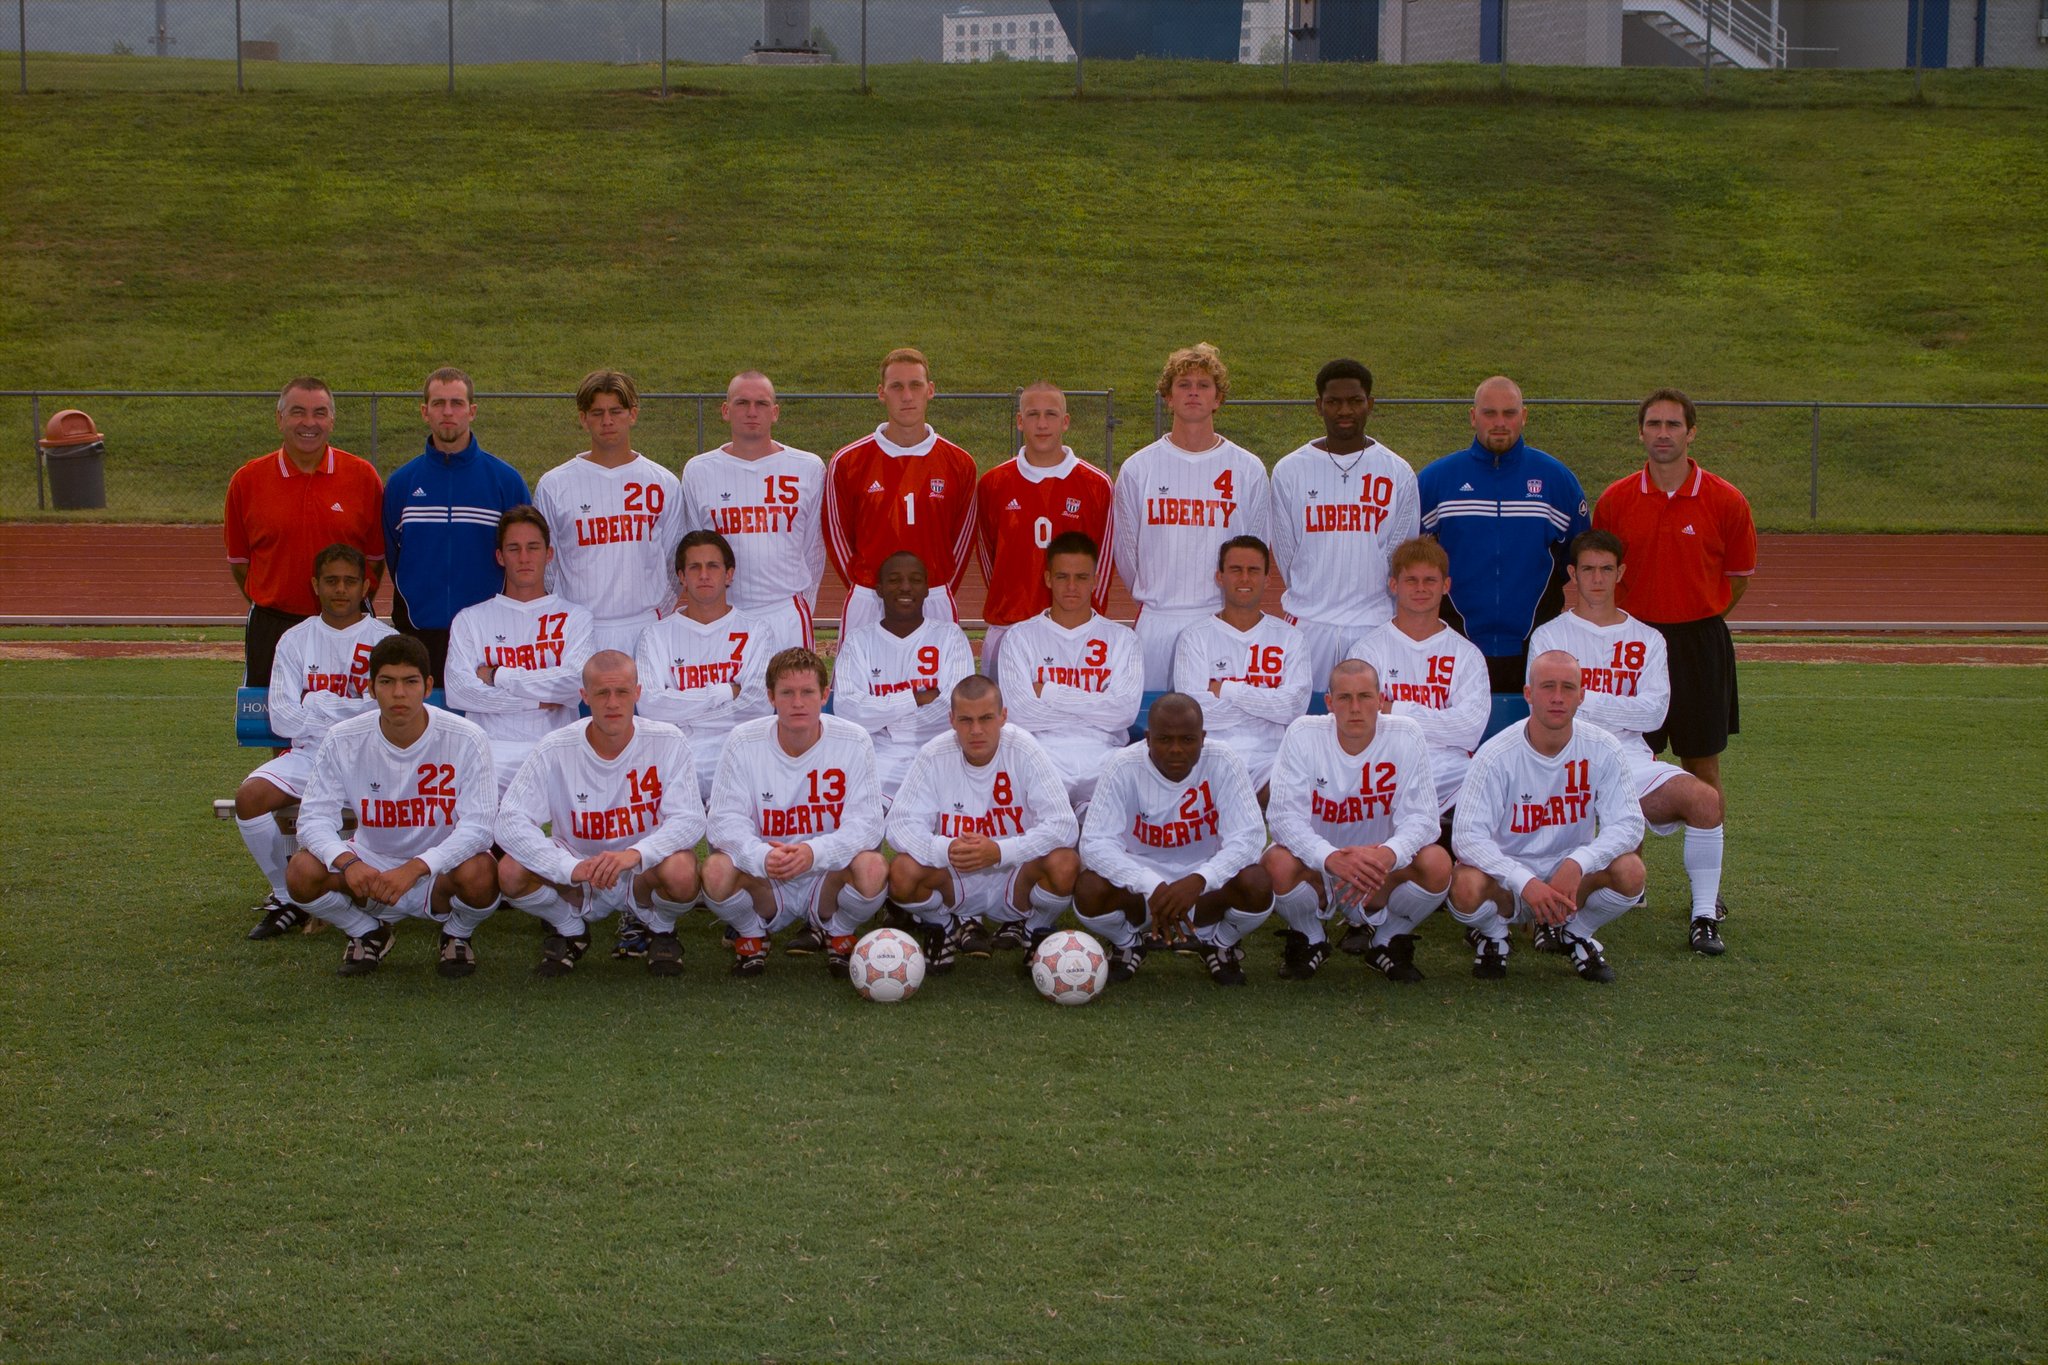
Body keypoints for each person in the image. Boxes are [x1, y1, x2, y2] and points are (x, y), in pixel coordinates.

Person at [1530, 529, 1730, 954]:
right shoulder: (1550, 636)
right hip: (1567, 758)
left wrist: (1581, 697)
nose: (1597, 579)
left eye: (1606, 569)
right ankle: (1555, 917)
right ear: (1572, 574)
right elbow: (1550, 705)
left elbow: (1654, 713)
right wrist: (1605, 703)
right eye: (1588, 569)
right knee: (1560, 844)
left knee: (1705, 800)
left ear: (1620, 572)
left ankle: (1704, 916)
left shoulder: (1648, 639)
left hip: (1631, 760)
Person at [285, 635, 500, 979]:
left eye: (410, 681)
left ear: (428, 686)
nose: (399, 693)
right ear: (370, 688)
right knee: (301, 871)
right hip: (370, 868)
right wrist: (349, 862)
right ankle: (367, 931)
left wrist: (416, 867)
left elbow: (479, 828)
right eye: (387, 682)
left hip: (436, 871)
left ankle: (457, 934)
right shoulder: (342, 738)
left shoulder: (466, 737)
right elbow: (312, 820)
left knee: (480, 874)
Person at [1593, 387, 1757, 809]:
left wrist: (1698, 613)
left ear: (1691, 433)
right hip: (1631, 645)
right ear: (1640, 434)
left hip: (1699, 645)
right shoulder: (1615, 500)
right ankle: (1627, 872)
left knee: (1702, 765)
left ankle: (1707, 873)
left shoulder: (1726, 500)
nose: (1662, 433)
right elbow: (1601, 573)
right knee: (1624, 763)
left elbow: (1737, 578)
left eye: (1673, 424)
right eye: (1653, 424)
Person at [496, 652, 707, 979]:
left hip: (641, 871)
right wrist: (569, 867)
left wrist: (635, 854)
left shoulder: (667, 740)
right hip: (578, 870)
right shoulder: (555, 746)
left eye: (622, 692)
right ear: (584, 697)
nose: (612, 703)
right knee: (511, 870)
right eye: (601, 693)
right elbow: (509, 821)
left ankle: (661, 929)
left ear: (637, 693)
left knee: (682, 870)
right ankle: (569, 929)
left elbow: (690, 819)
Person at [1449, 651, 1647, 984]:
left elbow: (1629, 824)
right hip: (1509, 881)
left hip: (1570, 880)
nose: (1557, 698)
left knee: (1631, 870)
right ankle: (1494, 936)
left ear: (1582, 695)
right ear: (1528, 693)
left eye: (1568, 688)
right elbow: (1467, 836)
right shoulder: (1496, 753)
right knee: (1465, 884)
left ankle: (1576, 934)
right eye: (1547, 687)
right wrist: (1523, 881)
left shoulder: (1603, 747)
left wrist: (1578, 862)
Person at [234, 543, 396, 940]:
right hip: (308, 756)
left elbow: (387, 711)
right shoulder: (294, 639)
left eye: (350, 581)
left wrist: (317, 702)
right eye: (331, 581)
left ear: (365, 587)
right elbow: (284, 718)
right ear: (315, 585)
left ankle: (385, 892)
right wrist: (352, 707)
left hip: (369, 757)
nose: (340, 589)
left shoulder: (384, 638)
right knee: (249, 798)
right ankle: (285, 894)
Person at [701, 647, 889, 978]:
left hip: (826, 877)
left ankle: (840, 931)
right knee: (716, 870)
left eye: (807, 692)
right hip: (766, 878)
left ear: (825, 695)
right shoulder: (743, 740)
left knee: (873, 866)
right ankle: (752, 935)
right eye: (787, 693)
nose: (798, 702)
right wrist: (761, 856)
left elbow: (869, 825)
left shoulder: (854, 740)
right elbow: (723, 822)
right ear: (771, 696)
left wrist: (813, 852)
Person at [1262, 659, 1449, 983]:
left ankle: (1388, 941)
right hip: (1319, 870)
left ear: (1381, 699)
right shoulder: (1303, 734)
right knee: (1275, 863)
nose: (1355, 708)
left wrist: (1388, 854)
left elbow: (1423, 819)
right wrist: (1330, 857)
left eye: (1365, 696)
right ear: (1329, 703)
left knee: (1437, 862)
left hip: (1381, 874)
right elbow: (1282, 818)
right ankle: (1309, 937)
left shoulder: (1406, 734)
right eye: (1345, 698)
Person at [1074, 694, 1272, 986]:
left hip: (1204, 883)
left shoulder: (1224, 759)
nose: (1176, 749)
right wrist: (1149, 884)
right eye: (1165, 739)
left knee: (1257, 883)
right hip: (1141, 885)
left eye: (1188, 740)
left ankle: (1218, 943)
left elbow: (1250, 838)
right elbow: (1094, 844)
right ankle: (1128, 943)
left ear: (1203, 738)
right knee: (1089, 888)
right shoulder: (1123, 765)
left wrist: (1200, 879)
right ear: (1147, 738)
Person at [884, 676, 1080, 969]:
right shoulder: (934, 753)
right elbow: (899, 825)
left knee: (1065, 862)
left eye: (986, 718)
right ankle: (942, 926)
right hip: (956, 876)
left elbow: (1064, 825)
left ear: (1003, 716)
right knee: (902, 871)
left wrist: (1001, 852)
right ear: (951, 719)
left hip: (1016, 876)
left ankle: (1036, 930)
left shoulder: (1024, 749)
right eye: (965, 720)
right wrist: (947, 849)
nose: (976, 730)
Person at [1112, 343, 1273, 689]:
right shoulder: (1138, 468)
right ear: (1168, 398)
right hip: (1158, 620)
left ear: (1218, 398)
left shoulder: (1248, 469)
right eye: (1184, 385)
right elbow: (1126, 553)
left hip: (1220, 620)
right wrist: (1157, 591)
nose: (1194, 393)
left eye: (1204, 385)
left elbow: (1256, 549)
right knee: (1153, 726)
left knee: (1218, 722)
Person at [1416, 375, 1589, 694]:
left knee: (1533, 740)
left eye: (1509, 413)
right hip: (1453, 644)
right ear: (1472, 417)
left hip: (1534, 645)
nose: (1499, 422)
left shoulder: (1556, 481)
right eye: (1489, 413)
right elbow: (1411, 560)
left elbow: (1577, 557)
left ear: (1523, 416)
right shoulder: (1435, 481)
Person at [224, 376, 385, 686]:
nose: (309, 422)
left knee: (354, 723)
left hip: (348, 625)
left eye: (319, 413)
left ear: (332, 420)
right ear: (279, 419)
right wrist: (276, 599)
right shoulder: (248, 480)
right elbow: (241, 565)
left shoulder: (363, 477)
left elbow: (375, 560)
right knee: (268, 726)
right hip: (274, 626)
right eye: (298, 412)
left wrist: (345, 602)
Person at [1270, 358, 1421, 683]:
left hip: (1374, 623)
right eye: (1333, 402)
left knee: (1371, 722)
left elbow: (1400, 556)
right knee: (1301, 718)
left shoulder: (1398, 473)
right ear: (1318, 406)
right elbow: (1286, 555)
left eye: (1355, 401)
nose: (1344, 410)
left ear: (1370, 404)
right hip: (1308, 623)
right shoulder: (1289, 471)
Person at [380, 366, 531, 680]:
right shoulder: (402, 483)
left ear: (472, 411)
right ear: (425, 411)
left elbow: (524, 557)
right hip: (419, 632)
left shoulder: (505, 481)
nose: (447, 412)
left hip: (488, 634)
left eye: (457, 403)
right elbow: (395, 556)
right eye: (438, 403)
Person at [635, 529, 804, 802]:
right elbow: (650, 705)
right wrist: (724, 693)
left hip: (736, 752)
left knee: (734, 838)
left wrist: (683, 717)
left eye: (713, 566)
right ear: (681, 577)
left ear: (729, 574)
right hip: (674, 754)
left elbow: (757, 706)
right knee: (667, 841)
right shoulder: (654, 635)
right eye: (694, 567)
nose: (704, 575)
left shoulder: (757, 631)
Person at [825, 347, 978, 637]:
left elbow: (961, 543)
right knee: (859, 683)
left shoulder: (960, 463)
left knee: (939, 683)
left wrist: (933, 589)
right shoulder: (847, 462)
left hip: (933, 598)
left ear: (930, 390)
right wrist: (870, 586)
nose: (907, 396)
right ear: (881, 393)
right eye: (897, 386)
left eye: (915, 385)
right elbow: (838, 539)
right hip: (869, 598)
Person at [443, 506, 596, 794]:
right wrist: (534, 701)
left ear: (549, 554)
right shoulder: (470, 619)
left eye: (533, 547)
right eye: (514, 549)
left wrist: (498, 676)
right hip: (489, 751)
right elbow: (459, 692)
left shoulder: (576, 618)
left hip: (555, 749)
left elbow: (573, 684)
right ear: (500, 556)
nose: (524, 558)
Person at [531, 369, 685, 655]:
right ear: (583, 418)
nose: (607, 421)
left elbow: (674, 560)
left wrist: (660, 613)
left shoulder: (663, 483)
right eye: (597, 412)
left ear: (633, 414)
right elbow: (547, 567)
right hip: (577, 629)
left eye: (616, 411)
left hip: (648, 627)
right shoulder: (554, 485)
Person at [972, 381, 1115, 677]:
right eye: (1033, 415)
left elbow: (1104, 559)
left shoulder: (1096, 485)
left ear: (1065, 422)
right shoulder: (994, 483)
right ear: (1020, 421)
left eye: (1050, 415)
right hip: (1010, 625)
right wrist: (1010, 596)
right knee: (1002, 719)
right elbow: (990, 558)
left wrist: (1083, 620)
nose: (1042, 424)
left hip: (1073, 630)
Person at [678, 370, 827, 649]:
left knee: (792, 692)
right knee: (726, 693)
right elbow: (694, 546)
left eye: (761, 404)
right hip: (725, 613)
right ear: (725, 410)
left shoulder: (807, 468)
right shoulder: (699, 471)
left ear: (775, 412)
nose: (751, 411)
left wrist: (801, 605)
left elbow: (814, 549)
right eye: (741, 403)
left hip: (785, 614)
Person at [995, 532, 1143, 809]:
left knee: (1104, 845)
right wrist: (1098, 708)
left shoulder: (1123, 639)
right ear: (1049, 578)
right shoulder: (1020, 637)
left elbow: (1123, 712)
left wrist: (1049, 691)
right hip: (1041, 757)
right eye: (1063, 577)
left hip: (1105, 757)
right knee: (1048, 847)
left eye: (1082, 577)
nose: (1072, 586)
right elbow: (1021, 714)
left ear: (1096, 581)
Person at [1348, 538, 1489, 820]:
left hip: (1451, 774)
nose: (1421, 588)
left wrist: (1394, 710)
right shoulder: (1368, 650)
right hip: (1384, 768)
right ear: (1393, 585)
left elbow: (1469, 731)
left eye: (1430, 580)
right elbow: (1358, 720)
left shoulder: (1467, 655)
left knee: (1488, 782)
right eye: (1411, 580)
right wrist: (1440, 722)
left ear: (1445, 585)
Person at [830, 551, 976, 804]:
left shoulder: (950, 636)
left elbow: (956, 709)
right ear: (879, 589)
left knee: (939, 836)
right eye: (895, 580)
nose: (905, 587)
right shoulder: (858, 641)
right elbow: (847, 710)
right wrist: (914, 699)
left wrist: (886, 723)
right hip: (876, 758)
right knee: (863, 831)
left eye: (915, 579)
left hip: (938, 754)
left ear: (927, 589)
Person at [1171, 535, 1311, 796]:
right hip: (1211, 755)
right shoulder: (1194, 637)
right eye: (1236, 570)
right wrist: (1268, 707)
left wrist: (1227, 691)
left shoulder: (1291, 637)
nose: (1245, 578)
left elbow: (1293, 707)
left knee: (1300, 790)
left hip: (1272, 757)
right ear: (1220, 577)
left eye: (1253, 571)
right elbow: (1195, 713)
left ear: (1267, 579)